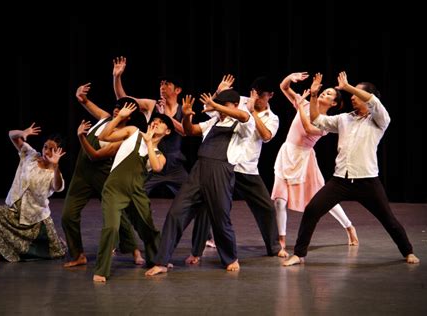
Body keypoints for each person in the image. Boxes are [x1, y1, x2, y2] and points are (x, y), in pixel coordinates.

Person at [283, 71, 420, 266]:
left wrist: (347, 87)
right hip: (340, 180)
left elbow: (373, 101)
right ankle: (299, 254)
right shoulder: (344, 119)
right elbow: (316, 120)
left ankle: (408, 251)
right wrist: (313, 95)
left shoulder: (379, 120)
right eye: (351, 94)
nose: (352, 97)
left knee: (388, 219)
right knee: (312, 210)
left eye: (356, 94)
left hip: (367, 180)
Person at [145, 89, 254, 276]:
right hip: (199, 170)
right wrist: (186, 117)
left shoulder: (243, 123)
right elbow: (190, 130)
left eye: (224, 105)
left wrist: (216, 106)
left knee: (220, 219)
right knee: (176, 212)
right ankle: (162, 261)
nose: (219, 109)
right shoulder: (214, 121)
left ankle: (230, 258)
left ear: (234, 105)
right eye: (218, 105)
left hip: (220, 171)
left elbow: (244, 115)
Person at [186, 76, 284, 264]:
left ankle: (274, 247)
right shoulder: (237, 101)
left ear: (269, 95)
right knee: (207, 207)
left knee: (266, 207)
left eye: (259, 95)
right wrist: (217, 92)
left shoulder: (272, 118)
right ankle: (196, 252)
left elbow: (266, 136)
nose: (254, 97)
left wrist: (251, 112)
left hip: (247, 167)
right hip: (224, 163)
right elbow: (210, 110)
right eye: (253, 93)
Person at [272, 72, 359, 256]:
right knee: (279, 200)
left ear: (333, 103)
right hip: (287, 154)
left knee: (324, 199)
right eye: (323, 92)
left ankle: (349, 226)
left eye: (329, 94)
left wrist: (304, 105)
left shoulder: (327, 123)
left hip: (305, 160)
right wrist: (290, 77)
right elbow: (283, 87)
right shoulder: (303, 103)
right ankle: (280, 241)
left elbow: (309, 127)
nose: (323, 94)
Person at [61, 83, 145, 267]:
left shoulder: (123, 136)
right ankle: (77, 255)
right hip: (81, 175)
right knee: (68, 215)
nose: (117, 111)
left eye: (122, 110)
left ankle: (134, 250)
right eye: (117, 107)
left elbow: (95, 155)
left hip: (102, 174)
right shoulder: (104, 118)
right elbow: (85, 102)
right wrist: (80, 95)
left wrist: (81, 137)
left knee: (118, 215)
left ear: (129, 116)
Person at [93, 106, 174, 282]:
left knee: (148, 227)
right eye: (154, 121)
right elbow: (103, 137)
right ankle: (101, 270)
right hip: (114, 189)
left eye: (160, 123)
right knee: (111, 228)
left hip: (136, 193)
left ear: (167, 131)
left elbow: (157, 167)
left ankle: (157, 260)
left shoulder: (160, 155)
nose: (155, 123)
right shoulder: (133, 132)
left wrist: (150, 143)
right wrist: (118, 118)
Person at [0, 123, 66, 263]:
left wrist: (56, 167)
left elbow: (58, 186)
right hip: (12, 213)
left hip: (35, 221)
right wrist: (23, 133)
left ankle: (55, 240)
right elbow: (11, 135)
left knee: (58, 252)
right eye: (45, 147)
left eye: (52, 149)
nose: (47, 152)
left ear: (58, 152)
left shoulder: (53, 173)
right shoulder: (30, 155)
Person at [113, 57, 188, 197]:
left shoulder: (184, 109)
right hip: (151, 160)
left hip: (174, 165)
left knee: (191, 194)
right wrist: (117, 77)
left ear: (177, 90)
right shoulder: (151, 105)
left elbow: (184, 131)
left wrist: (165, 114)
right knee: (135, 195)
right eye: (161, 84)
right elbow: (124, 100)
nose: (162, 87)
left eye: (167, 84)